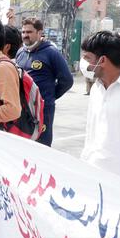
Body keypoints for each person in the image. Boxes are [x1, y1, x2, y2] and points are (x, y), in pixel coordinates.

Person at [80, 31, 120, 182]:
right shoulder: (96, 89)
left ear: (103, 60)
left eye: (87, 58)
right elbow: (91, 131)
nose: (83, 63)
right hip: (94, 177)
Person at [15, 17, 74, 147]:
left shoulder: (51, 52)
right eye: (23, 32)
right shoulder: (20, 53)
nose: (25, 35)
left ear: (40, 33)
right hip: (23, 109)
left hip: (42, 110)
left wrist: (49, 97)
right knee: (23, 146)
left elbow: (67, 80)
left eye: (29, 32)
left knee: (41, 147)